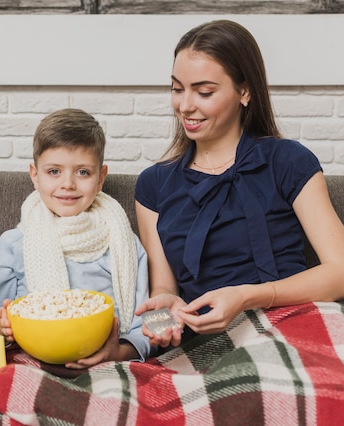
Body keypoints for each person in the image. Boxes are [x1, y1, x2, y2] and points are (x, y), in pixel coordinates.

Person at [134, 19, 344, 349]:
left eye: (204, 92)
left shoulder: (287, 161)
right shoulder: (153, 185)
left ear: (244, 91)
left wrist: (246, 297)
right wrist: (162, 315)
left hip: (292, 325)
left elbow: (340, 271)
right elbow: (164, 290)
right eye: (177, 89)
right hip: (205, 345)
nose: (185, 105)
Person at [0, 108, 152, 368]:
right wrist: (0, 327)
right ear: (35, 175)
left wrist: (117, 353)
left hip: (106, 361)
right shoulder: (14, 244)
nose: (68, 184)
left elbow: (145, 328)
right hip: (32, 358)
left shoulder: (125, 244)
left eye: (83, 172)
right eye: (54, 172)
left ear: (101, 178)